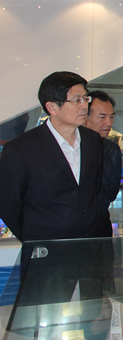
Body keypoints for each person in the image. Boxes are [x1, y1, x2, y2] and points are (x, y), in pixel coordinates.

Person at [0, 71, 110, 243]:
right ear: (52, 107)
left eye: (85, 98)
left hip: (91, 245)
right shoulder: (21, 149)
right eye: (76, 100)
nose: (84, 106)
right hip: (47, 247)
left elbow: (94, 190)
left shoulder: (93, 140)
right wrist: (35, 239)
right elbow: (9, 205)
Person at [84, 90, 122, 222]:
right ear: (85, 117)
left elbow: (112, 191)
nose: (108, 123)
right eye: (102, 117)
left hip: (101, 218)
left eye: (111, 117)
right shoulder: (71, 148)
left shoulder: (112, 150)